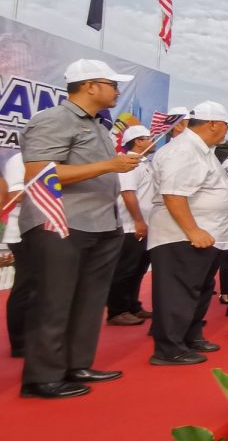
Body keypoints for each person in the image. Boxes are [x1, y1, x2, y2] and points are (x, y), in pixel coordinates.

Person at [17, 60, 142, 398]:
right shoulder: (53, 120)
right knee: (54, 300)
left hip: (101, 224)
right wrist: (110, 164)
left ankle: (76, 364)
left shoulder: (100, 127)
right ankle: (42, 377)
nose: (117, 90)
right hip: (59, 222)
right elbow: (39, 174)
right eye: (112, 84)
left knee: (89, 301)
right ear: (89, 86)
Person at [147, 101, 228, 366]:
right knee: (179, 291)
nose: (226, 130)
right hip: (182, 235)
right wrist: (192, 230)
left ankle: (190, 335)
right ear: (212, 123)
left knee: (198, 289)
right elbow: (173, 195)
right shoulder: (184, 150)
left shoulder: (203, 150)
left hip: (205, 234)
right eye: (225, 124)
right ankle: (169, 347)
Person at [107, 125, 156, 326]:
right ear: (138, 141)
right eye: (148, 138)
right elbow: (128, 193)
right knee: (125, 269)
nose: (153, 141)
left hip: (144, 224)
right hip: (131, 226)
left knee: (138, 269)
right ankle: (117, 310)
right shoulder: (129, 163)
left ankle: (132, 305)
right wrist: (138, 220)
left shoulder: (143, 162)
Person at [3, 151, 31, 358]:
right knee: (26, 285)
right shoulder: (19, 160)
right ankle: (19, 342)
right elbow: (16, 195)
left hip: (43, 230)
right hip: (22, 232)